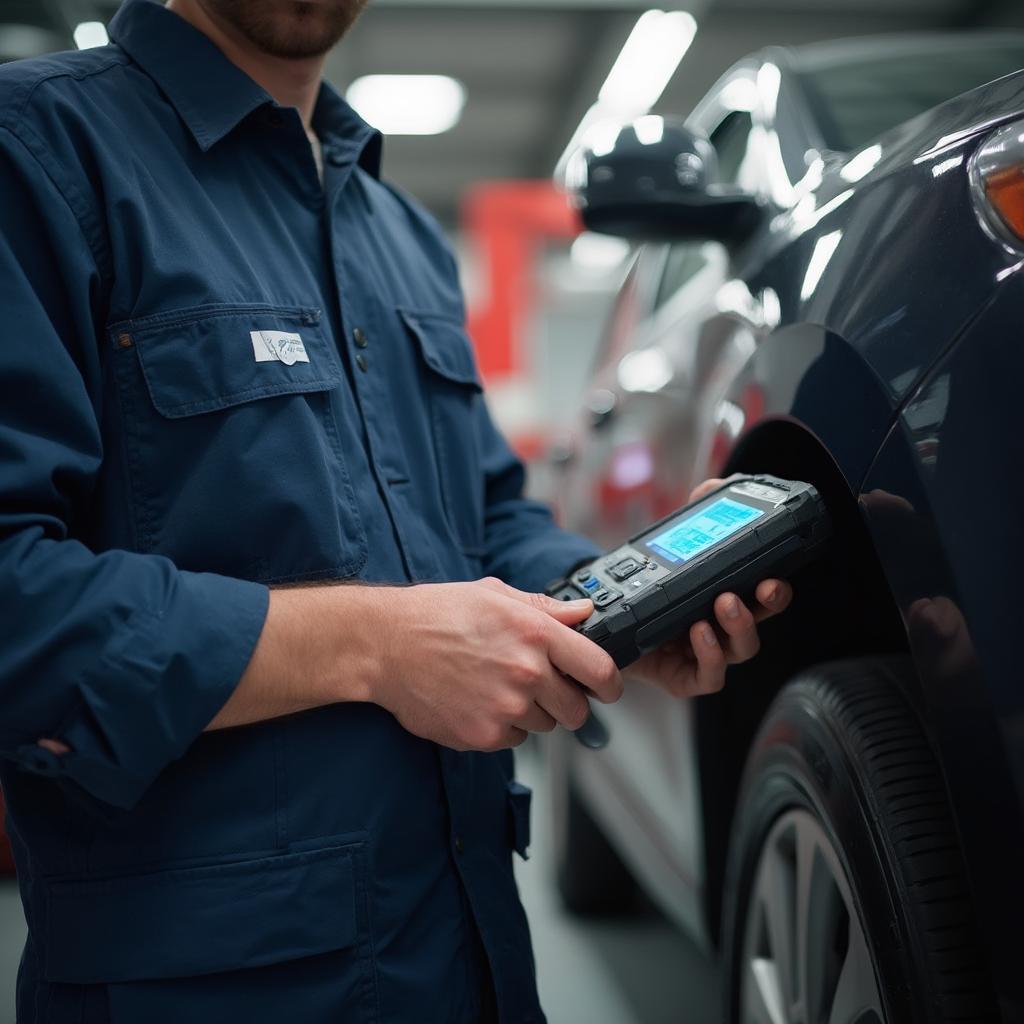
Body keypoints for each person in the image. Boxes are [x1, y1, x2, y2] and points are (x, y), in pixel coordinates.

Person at [0, 1, 792, 1020]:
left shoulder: (397, 230)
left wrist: (622, 612)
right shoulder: (36, 152)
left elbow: (487, 513)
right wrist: (375, 646)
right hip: (207, 987)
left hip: (463, 954)